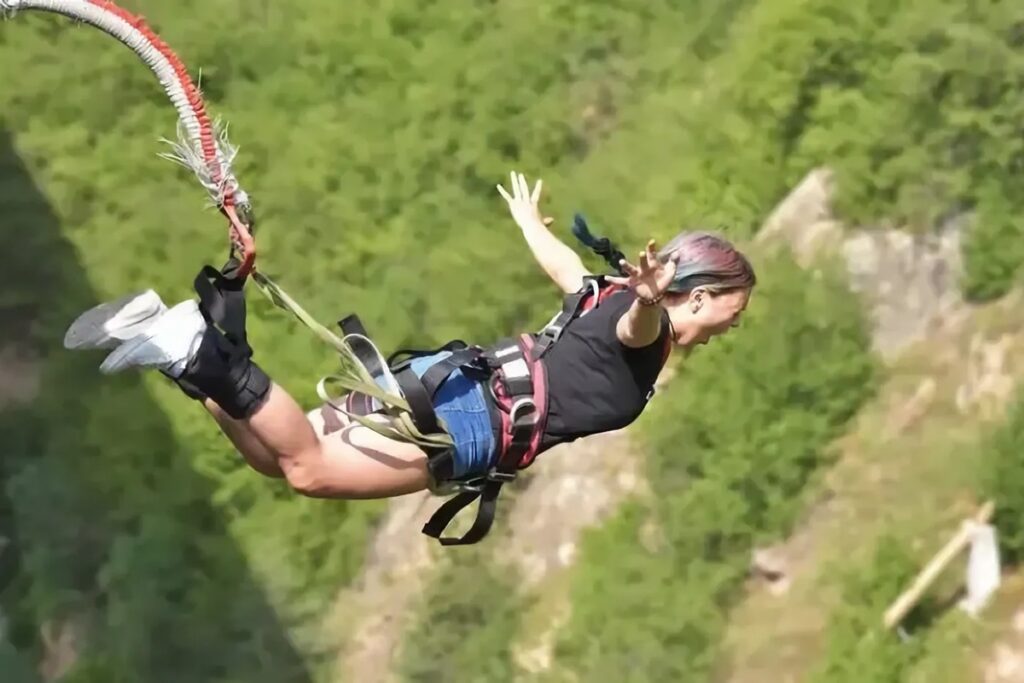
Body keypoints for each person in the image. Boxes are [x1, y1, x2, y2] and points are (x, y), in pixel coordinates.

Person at [63, 171, 755, 543]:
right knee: (309, 471)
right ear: (699, 297)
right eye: (732, 312)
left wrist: (527, 227)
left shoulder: (600, 292)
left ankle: (188, 348)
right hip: (471, 420)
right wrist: (649, 302)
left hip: (450, 384)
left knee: (275, 456)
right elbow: (637, 331)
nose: (730, 328)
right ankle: (194, 345)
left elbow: (568, 269)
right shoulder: (644, 326)